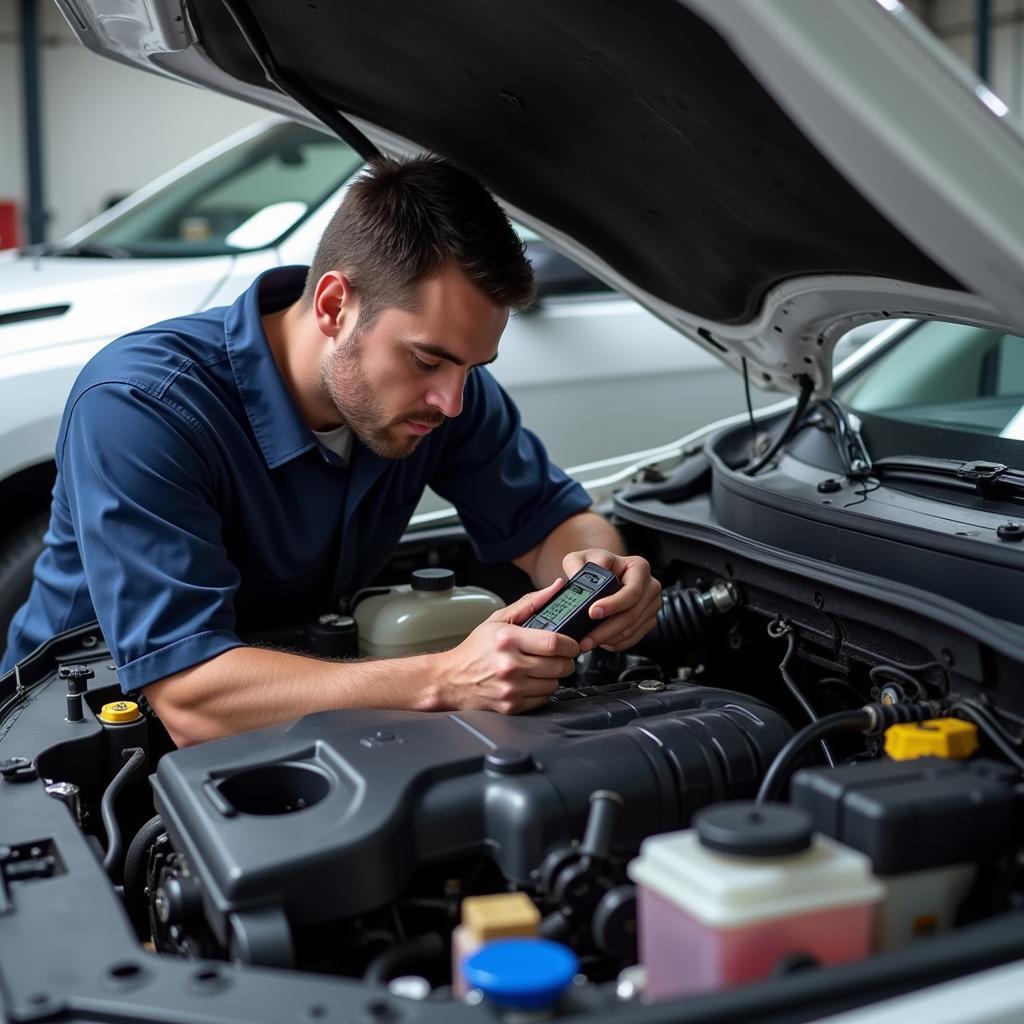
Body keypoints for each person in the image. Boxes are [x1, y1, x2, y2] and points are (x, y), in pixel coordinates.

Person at [1, 157, 661, 746]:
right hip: (79, 737)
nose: (454, 401)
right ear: (334, 304)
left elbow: (552, 522)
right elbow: (192, 700)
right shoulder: (143, 405)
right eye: (428, 358)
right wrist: (446, 677)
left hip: (300, 693)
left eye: (473, 365)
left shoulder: (445, 394)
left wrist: (602, 571)